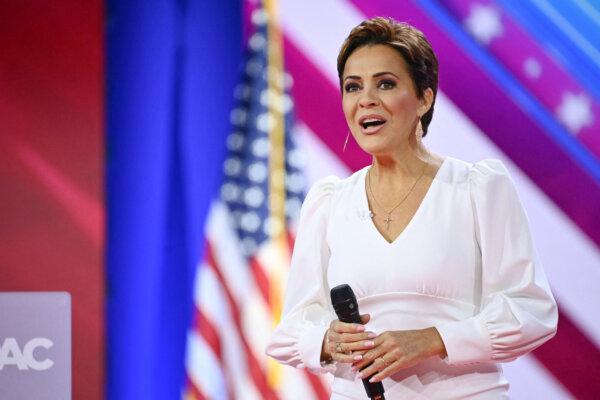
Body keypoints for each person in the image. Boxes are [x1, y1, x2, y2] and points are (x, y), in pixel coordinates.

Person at [266, 17, 557, 399]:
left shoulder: (477, 188)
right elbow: (291, 329)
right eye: (353, 87)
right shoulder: (329, 202)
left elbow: (531, 311)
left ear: (424, 98)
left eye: (385, 83)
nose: (366, 99)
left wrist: (435, 338)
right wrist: (324, 339)